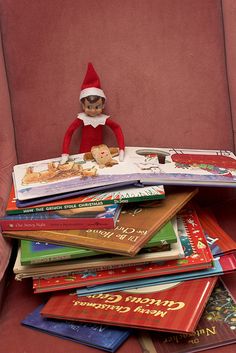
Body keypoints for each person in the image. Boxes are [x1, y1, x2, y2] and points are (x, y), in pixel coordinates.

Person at [61, 63, 125, 164]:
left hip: (100, 156)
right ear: (83, 106)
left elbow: (116, 128)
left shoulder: (103, 119)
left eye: (97, 107)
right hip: (83, 155)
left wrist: (122, 149)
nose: (93, 110)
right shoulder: (81, 119)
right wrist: (65, 153)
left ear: (103, 105)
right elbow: (69, 132)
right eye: (88, 107)